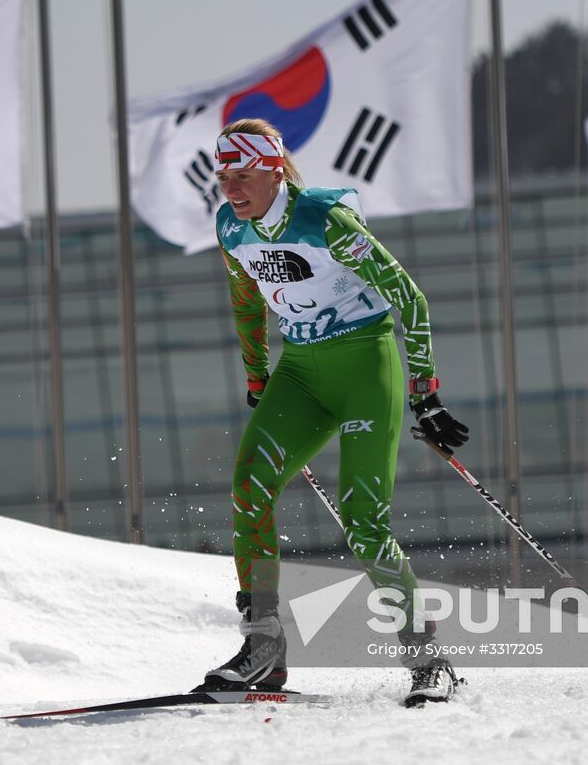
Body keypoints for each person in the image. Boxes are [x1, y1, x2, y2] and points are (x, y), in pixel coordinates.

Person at [198, 118, 470, 707]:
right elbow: (245, 299)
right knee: (249, 486)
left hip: (365, 367)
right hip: (300, 370)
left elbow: (408, 296)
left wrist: (426, 392)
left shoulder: (326, 222)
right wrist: (255, 372)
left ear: (273, 171)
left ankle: (428, 659)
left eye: (242, 176)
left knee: (364, 521)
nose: (231, 190)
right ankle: (263, 646)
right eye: (223, 178)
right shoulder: (229, 227)